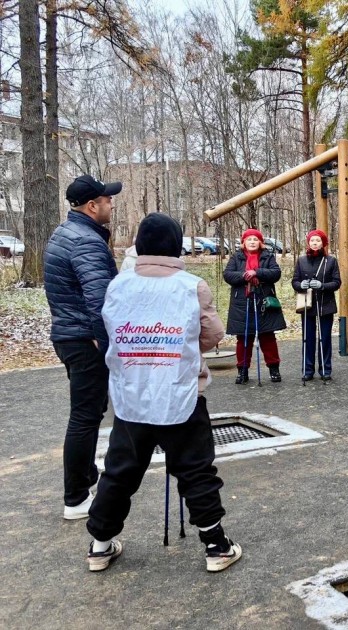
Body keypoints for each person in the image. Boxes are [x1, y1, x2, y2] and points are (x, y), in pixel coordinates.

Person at [86, 213, 241, 572]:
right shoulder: (191, 286)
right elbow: (213, 335)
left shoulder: (118, 285)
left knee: (119, 470)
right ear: (176, 245)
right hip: (180, 393)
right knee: (195, 470)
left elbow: (108, 329)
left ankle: (100, 544)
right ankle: (216, 545)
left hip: (132, 395)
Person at [45, 174, 121, 520]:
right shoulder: (86, 242)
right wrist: (109, 347)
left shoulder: (65, 233)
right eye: (107, 200)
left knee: (86, 413)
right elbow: (100, 299)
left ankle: (86, 477)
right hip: (84, 339)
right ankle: (75, 498)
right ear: (92, 206)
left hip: (69, 334)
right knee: (85, 416)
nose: (110, 204)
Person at [223, 229, 286, 384]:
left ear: (260, 242)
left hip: (263, 300)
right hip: (242, 303)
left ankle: (274, 369)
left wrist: (257, 272)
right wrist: (245, 275)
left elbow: (275, 273)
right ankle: (242, 370)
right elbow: (228, 275)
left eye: (255, 239)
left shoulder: (267, 256)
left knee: (267, 336)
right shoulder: (236, 257)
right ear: (243, 242)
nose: (252, 242)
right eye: (249, 239)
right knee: (243, 338)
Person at [292, 229, 342, 381]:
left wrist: (322, 285)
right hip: (307, 306)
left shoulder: (331, 261)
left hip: (325, 305)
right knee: (308, 338)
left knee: (325, 338)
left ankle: (325, 369)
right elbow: (295, 282)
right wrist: (302, 285)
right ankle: (307, 370)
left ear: (323, 243)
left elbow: (337, 282)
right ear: (308, 242)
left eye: (318, 241)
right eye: (312, 240)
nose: (315, 243)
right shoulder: (301, 260)